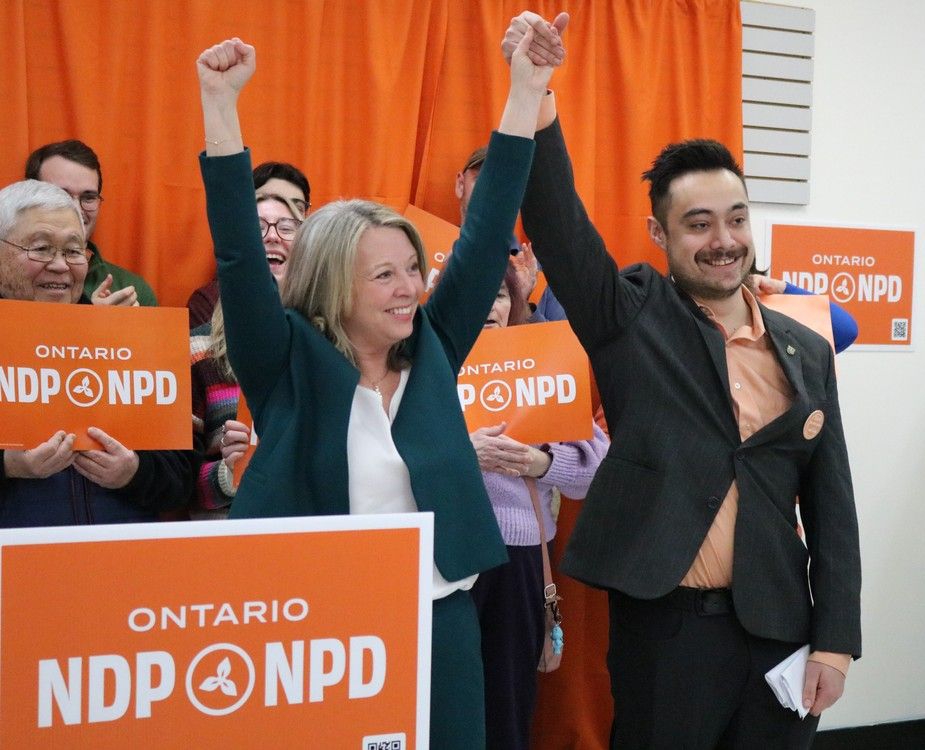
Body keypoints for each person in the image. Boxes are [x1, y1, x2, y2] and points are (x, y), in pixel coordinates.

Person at [504, 12, 861, 748]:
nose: (723, 241)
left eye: (736, 219)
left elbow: (833, 505)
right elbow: (560, 226)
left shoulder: (805, 346)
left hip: (782, 631)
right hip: (668, 633)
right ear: (659, 234)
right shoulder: (631, 316)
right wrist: (536, 96)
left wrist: (836, 640)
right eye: (698, 224)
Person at [196, 32, 551, 746]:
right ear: (333, 283)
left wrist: (525, 89)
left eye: (412, 269)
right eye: (385, 275)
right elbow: (238, 254)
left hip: (441, 621)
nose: (409, 288)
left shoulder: (434, 344)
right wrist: (220, 105)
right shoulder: (284, 360)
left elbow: (486, 234)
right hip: (317, 628)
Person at [467, 264, 608, 749]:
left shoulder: (540, 363)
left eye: (499, 295)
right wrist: (463, 453)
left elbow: (596, 468)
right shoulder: (423, 364)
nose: (489, 306)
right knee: (442, 699)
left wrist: (541, 461)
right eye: (475, 293)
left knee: (508, 701)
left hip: (519, 558)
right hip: (441, 555)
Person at [0, 180, 191, 526]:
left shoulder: (128, 342)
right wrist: (9, 466)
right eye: (41, 248)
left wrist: (135, 472)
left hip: (122, 552)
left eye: (74, 251)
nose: (60, 265)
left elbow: (182, 479)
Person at [189, 192, 303, 518]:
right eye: (257, 228)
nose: (271, 236)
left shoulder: (335, 348)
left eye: (287, 227)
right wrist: (229, 471)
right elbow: (176, 486)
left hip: (316, 533)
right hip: (232, 534)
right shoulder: (197, 349)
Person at [25, 140, 157, 307]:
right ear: (28, 199)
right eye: (60, 195)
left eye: (88, 198)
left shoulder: (130, 290)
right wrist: (91, 317)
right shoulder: (9, 274)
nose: (75, 209)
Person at [186, 160, 310, 328]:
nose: (273, 236)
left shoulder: (318, 301)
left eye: (287, 225)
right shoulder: (207, 303)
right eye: (259, 225)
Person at [456, 146, 566, 323]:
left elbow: (561, 340)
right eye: (482, 180)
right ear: (460, 185)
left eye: (506, 185)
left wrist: (520, 301)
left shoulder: (543, 276)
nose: (493, 193)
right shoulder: (423, 253)